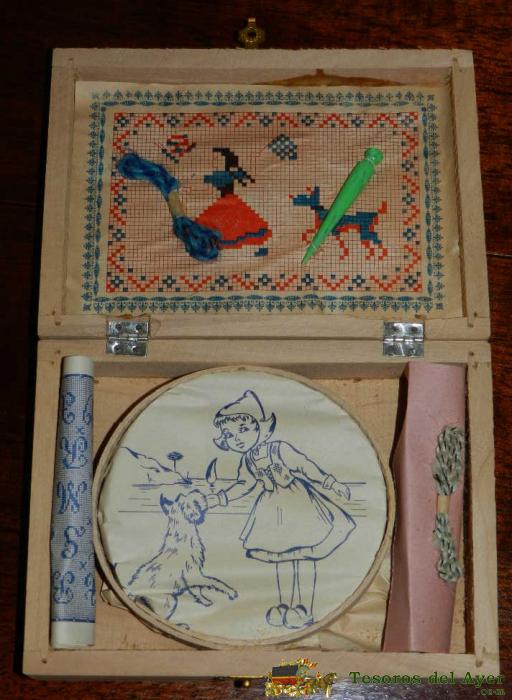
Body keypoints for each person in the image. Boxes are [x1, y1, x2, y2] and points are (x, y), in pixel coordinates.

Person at [205, 389, 356, 630]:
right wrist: (220, 498)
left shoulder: (279, 449)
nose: (238, 438)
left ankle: (304, 607)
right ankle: (285, 606)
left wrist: (330, 482)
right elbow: (244, 484)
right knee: (281, 559)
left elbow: (305, 467)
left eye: (243, 429)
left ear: (260, 427)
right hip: (272, 509)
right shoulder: (248, 460)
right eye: (230, 435)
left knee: (304, 556)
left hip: (300, 506)